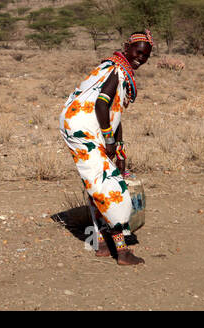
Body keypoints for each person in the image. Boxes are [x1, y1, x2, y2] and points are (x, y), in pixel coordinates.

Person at [60, 30, 153, 265]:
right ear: (127, 48)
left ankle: (101, 243)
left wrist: (119, 148)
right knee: (112, 187)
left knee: (96, 185)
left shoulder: (111, 68)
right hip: (86, 130)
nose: (141, 59)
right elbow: (102, 104)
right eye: (138, 52)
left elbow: (114, 113)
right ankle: (122, 252)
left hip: (79, 127)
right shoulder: (117, 71)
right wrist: (110, 141)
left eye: (146, 56)